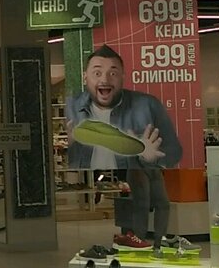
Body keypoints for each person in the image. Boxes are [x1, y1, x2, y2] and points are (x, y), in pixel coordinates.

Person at [65, 45, 183, 252]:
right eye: (97, 73)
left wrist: (154, 157)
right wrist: (71, 144)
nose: (105, 79)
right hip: (121, 170)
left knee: (161, 202)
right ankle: (137, 242)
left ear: (123, 77)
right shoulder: (72, 106)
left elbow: (174, 150)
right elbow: (70, 157)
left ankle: (161, 243)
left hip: (142, 165)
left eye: (113, 73)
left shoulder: (147, 104)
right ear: (85, 77)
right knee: (141, 201)